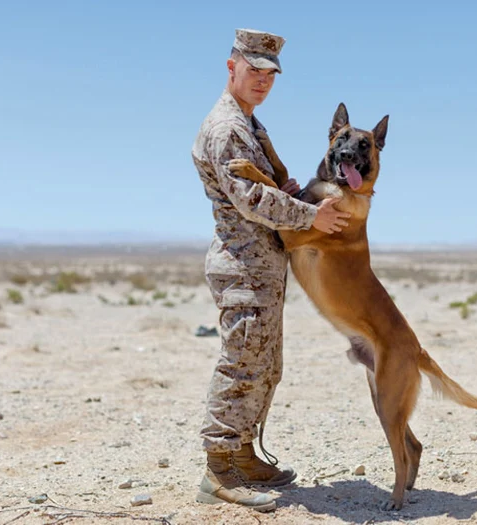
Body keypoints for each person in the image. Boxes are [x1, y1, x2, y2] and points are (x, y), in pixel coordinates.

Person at [191, 28, 351, 512]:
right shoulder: (228, 128)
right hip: (241, 265)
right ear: (231, 66)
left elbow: (270, 186)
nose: (262, 81)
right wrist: (310, 216)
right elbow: (251, 198)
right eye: (254, 70)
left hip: (262, 266)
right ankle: (219, 470)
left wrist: (310, 196)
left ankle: (242, 452)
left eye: (270, 74)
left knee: (264, 365)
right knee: (241, 363)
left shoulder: (251, 124)